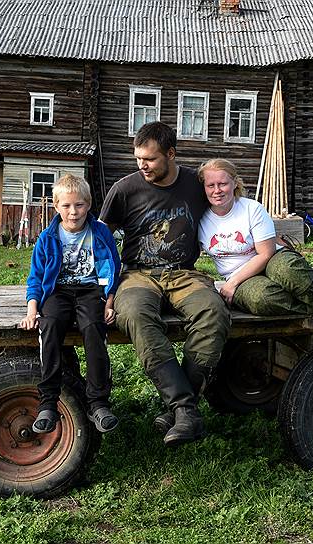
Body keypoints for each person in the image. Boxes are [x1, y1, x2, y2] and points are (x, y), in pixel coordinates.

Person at [100, 122, 230, 446]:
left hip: (184, 273)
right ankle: (186, 409)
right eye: (138, 159)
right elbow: (99, 241)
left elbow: (230, 206)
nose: (142, 165)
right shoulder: (124, 189)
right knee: (133, 315)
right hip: (137, 275)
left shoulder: (194, 184)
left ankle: (177, 410)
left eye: (151, 159)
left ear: (171, 154)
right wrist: (104, 288)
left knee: (214, 313)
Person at [197, 158, 313, 315]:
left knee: (288, 270)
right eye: (211, 185)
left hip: (271, 259)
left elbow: (265, 253)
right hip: (241, 276)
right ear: (203, 187)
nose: (217, 190)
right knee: (262, 299)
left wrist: (231, 283)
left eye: (223, 184)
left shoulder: (252, 209)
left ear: (235, 183)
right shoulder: (200, 218)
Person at [21, 174, 121, 435]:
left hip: (90, 290)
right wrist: (33, 310)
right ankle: (48, 402)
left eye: (79, 205)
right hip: (59, 291)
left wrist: (109, 301)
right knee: (51, 324)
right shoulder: (47, 237)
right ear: (56, 207)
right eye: (66, 206)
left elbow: (113, 268)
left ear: (88, 204)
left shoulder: (100, 233)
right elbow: (36, 277)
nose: (73, 212)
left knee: (93, 326)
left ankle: (98, 402)